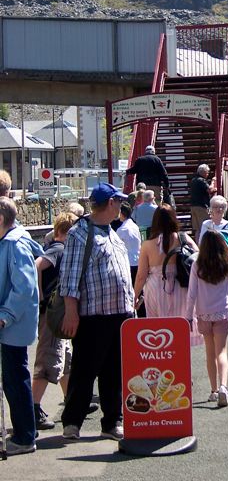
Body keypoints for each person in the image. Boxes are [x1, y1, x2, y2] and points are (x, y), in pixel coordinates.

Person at [59, 182, 135, 442]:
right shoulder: (79, 233)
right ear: (110, 203)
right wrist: (71, 311)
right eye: (119, 201)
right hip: (93, 315)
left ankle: (112, 421)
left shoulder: (112, 231)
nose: (122, 205)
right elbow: (69, 277)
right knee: (84, 370)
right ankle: (72, 422)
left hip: (119, 315)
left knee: (114, 371)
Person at [0, 196, 43, 455]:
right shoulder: (13, 240)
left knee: (16, 380)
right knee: (15, 379)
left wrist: (5, 315)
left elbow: (24, 287)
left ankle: (25, 436)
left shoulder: (14, 244)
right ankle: (26, 431)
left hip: (12, 325)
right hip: (13, 323)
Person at [186, 231, 228, 407]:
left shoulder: (197, 264)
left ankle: (213, 390)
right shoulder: (225, 263)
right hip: (222, 311)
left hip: (203, 313)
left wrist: (188, 316)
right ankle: (223, 387)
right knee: (222, 352)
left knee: (209, 352)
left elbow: (191, 293)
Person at [32, 210, 78, 431]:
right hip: (52, 314)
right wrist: (40, 296)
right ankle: (33, 407)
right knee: (49, 360)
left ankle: (72, 401)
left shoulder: (58, 248)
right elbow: (37, 265)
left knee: (64, 359)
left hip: (55, 314)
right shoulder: (58, 250)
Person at [133, 204, 201, 345]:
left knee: (157, 329)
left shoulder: (148, 245)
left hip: (155, 287)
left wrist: (134, 296)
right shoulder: (183, 238)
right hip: (180, 284)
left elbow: (141, 275)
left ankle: (163, 361)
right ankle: (180, 359)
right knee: (180, 326)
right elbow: (199, 259)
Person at [189, 164, 216, 238]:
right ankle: (205, 245)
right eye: (207, 172)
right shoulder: (202, 181)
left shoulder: (193, 180)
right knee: (206, 226)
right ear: (203, 172)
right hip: (201, 206)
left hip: (193, 206)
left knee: (197, 229)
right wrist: (213, 182)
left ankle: (198, 245)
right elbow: (210, 190)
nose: (208, 174)